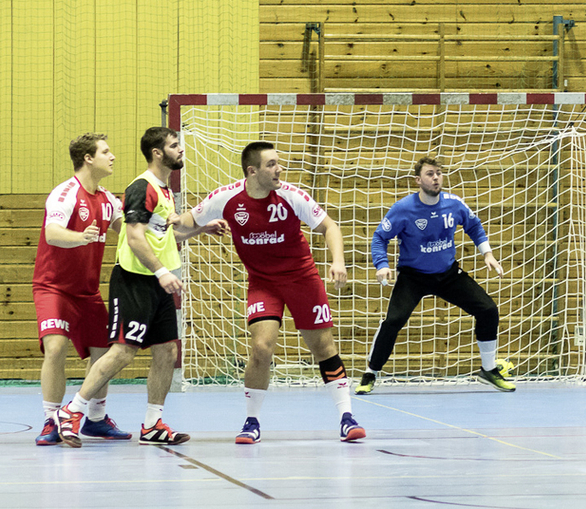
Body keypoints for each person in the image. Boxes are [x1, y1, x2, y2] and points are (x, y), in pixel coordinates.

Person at [175, 141, 365, 444]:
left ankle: (347, 417)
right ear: (253, 171)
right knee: (261, 348)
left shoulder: (291, 195)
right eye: (271, 164)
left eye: (279, 163)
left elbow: (330, 226)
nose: (279, 169)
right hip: (263, 283)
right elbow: (182, 225)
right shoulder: (226, 198)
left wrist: (338, 261)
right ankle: (251, 421)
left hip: (302, 279)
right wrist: (177, 224)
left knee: (323, 348)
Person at [56, 127, 225, 447]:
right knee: (123, 351)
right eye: (175, 146)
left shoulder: (163, 191)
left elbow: (166, 236)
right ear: (158, 153)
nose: (181, 150)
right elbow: (132, 238)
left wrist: (202, 228)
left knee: (167, 351)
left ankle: (152, 424)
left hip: (159, 281)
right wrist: (162, 271)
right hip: (135, 280)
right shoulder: (141, 188)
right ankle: (73, 410)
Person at [355, 155, 510, 394]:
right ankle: (371, 372)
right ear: (418, 180)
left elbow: (474, 225)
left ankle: (488, 370)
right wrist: (381, 265)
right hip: (413, 276)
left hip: (447, 274)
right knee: (393, 321)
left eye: (439, 172)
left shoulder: (454, 203)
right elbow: (379, 237)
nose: (436, 177)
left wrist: (487, 253)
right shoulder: (403, 209)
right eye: (430, 173)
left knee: (488, 309)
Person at [33, 133, 132, 445]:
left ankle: (96, 419)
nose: (112, 156)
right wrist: (81, 237)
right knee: (56, 348)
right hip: (53, 288)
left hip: (87, 292)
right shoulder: (64, 193)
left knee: (104, 350)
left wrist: (186, 227)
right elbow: (52, 233)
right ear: (88, 158)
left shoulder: (107, 200)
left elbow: (132, 231)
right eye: (106, 151)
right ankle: (52, 420)